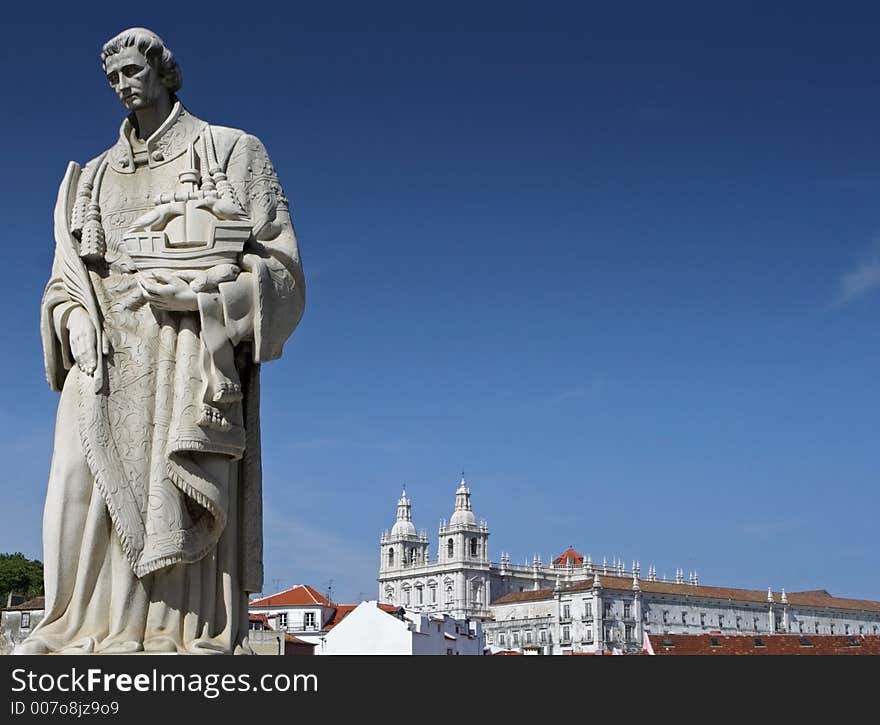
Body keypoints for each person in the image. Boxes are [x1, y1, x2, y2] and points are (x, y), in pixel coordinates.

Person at [21, 27, 305, 654]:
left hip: (185, 349)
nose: (124, 86)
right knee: (74, 484)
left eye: (133, 71)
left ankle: (169, 630)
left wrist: (207, 300)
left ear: (165, 73)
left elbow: (283, 271)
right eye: (113, 77)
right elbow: (61, 282)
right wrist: (70, 318)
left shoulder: (230, 150)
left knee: (171, 487)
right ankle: (76, 623)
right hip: (100, 355)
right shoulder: (90, 178)